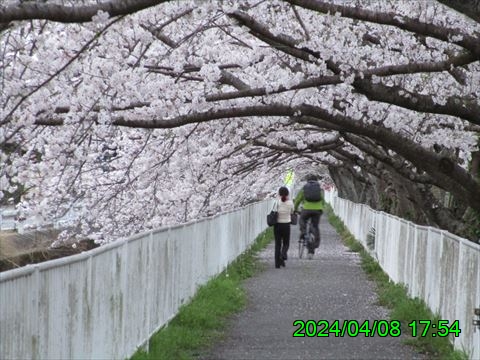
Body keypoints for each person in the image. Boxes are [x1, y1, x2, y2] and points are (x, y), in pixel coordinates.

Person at [294, 174, 324, 259]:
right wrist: (321, 209)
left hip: (306, 209)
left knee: (302, 220)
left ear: (307, 181)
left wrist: (295, 209)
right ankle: (313, 248)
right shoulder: (319, 189)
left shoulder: (305, 188)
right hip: (317, 210)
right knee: (315, 226)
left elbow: (298, 200)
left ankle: (303, 232)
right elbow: (323, 201)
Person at [274, 186, 294, 268]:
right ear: (287, 194)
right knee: (286, 243)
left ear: (279, 193)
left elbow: (274, 211)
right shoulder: (290, 202)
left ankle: (277, 264)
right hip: (286, 224)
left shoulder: (277, 202)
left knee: (278, 244)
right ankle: (283, 254)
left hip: (277, 225)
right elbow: (292, 211)